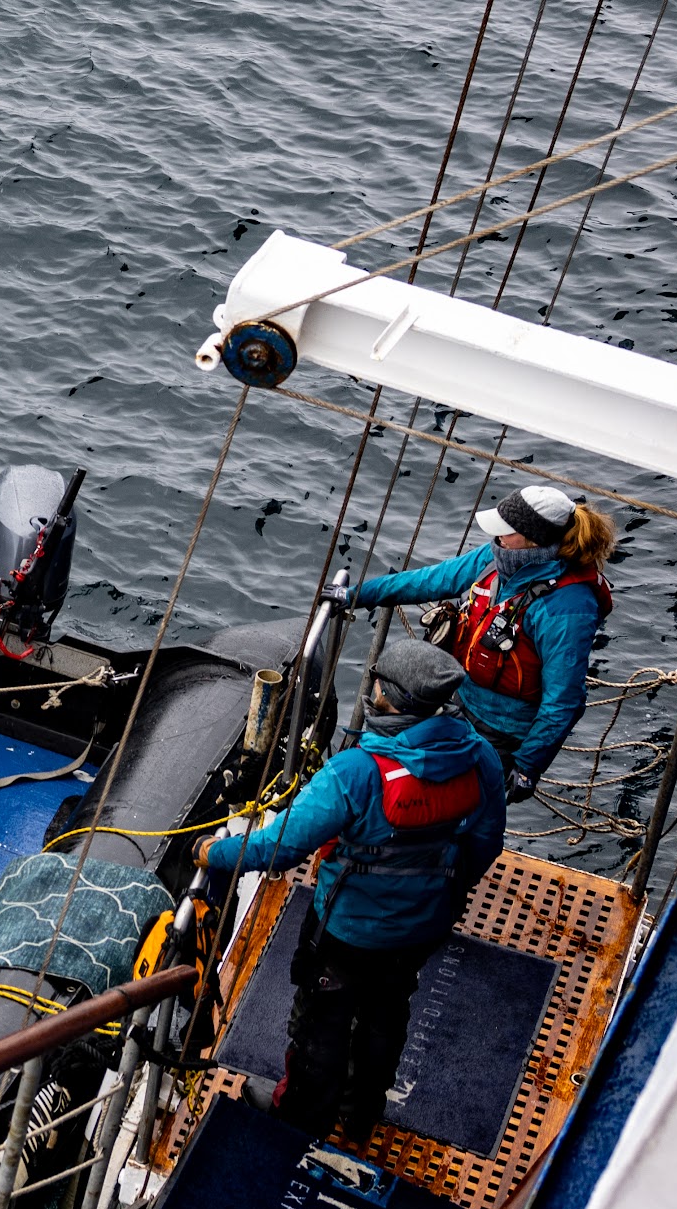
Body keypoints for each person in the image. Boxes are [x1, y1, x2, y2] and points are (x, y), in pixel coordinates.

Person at [200, 637, 508, 1139]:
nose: (373, 688)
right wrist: (440, 894)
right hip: (425, 925)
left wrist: (211, 853)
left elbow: (278, 849)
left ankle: (301, 1117)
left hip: (346, 931)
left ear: (392, 699)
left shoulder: (356, 772)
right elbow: (485, 843)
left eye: (379, 683)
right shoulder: (481, 758)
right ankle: (361, 1113)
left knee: (320, 1024)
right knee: (387, 1012)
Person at [334, 484, 615, 801]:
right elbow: (430, 580)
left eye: (506, 532)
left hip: (503, 734)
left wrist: (526, 768)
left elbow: (563, 702)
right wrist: (355, 595)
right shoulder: (496, 556)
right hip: (458, 702)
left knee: (461, 812)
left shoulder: (568, 608)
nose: (497, 538)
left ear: (534, 539)